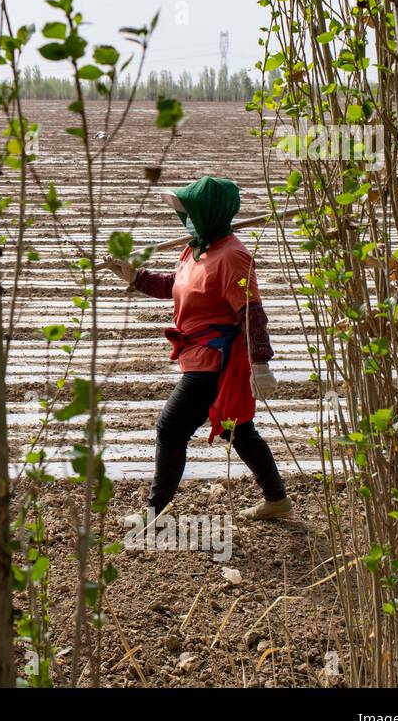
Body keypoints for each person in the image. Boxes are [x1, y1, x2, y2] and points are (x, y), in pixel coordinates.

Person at [103, 176, 292, 526]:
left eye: (191, 211)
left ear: (209, 212)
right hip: (198, 352)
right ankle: (277, 500)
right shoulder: (197, 247)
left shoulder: (234, 257)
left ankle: (153, 513)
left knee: (171, 428)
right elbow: (178, 286)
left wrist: (260, 363)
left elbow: (251, 312)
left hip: (215, 358)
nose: (186, 218)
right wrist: (135, 277)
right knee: (236, 428)